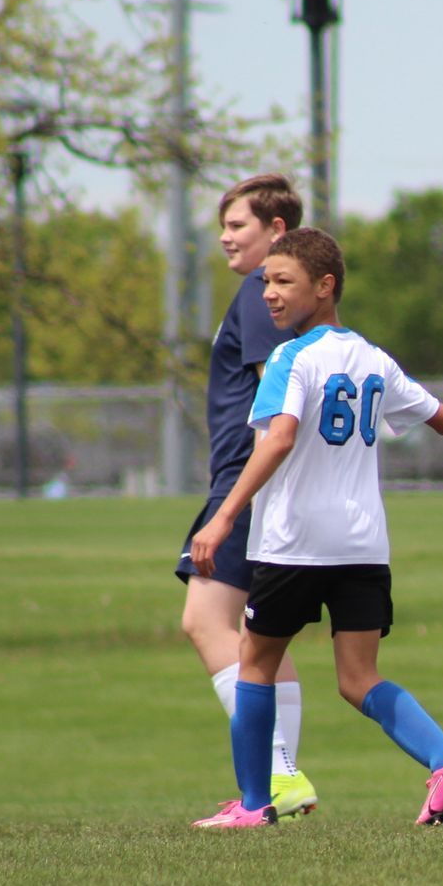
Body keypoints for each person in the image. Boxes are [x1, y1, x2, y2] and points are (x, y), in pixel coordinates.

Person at [186, 227, 443, 828]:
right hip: (363, 546)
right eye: (266, 284)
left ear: (325, 286)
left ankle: (254, 806)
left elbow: (278, 437)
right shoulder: (373, 358)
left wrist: (224, 516)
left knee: (254, 663)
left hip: (294, 543)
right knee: (359, 677)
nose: (270, 296)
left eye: (284, 282)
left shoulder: (290, 358)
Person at [175, 174, 319, 819]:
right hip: (262, 481)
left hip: (246, 478)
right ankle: (280, 780)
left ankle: (277, 776)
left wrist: (239, 496)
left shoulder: (261, 294)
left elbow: (277, 392)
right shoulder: (285, 299)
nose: (226, 237)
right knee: (262, 641)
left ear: (276, 232)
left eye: (238, 225)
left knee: (205, 621)